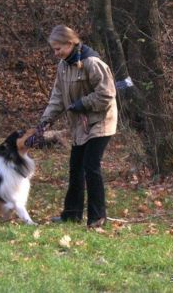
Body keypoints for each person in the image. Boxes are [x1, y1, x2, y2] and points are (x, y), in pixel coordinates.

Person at [39, 25, 117, 228]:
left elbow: (107, 94)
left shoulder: (92, 63)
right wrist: (45, 121)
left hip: (101, 121)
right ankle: (71, 215)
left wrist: (83, 103)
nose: (56, 54)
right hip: (80, 125)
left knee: (91, 167)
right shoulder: (63, 65)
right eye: (54, 50)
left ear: (70, 43)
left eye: (58, 49)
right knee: (75, 168)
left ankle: (97, 217)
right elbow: (57, 97)